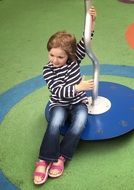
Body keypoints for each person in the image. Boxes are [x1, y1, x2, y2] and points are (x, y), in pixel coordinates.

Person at [34, 6, 97, 185]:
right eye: (51, 54)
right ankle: (44, 159)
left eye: (60, 57)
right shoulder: (48, 70)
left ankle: (61, 156)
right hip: (59, 103)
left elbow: (85, 42)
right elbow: (57, 91)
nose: (54, 60)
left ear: (69, 56)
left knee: (79, 124)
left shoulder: (75, 59)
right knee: (54, 123)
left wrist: (91, 22)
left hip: (78, 102)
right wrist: (79, 87)